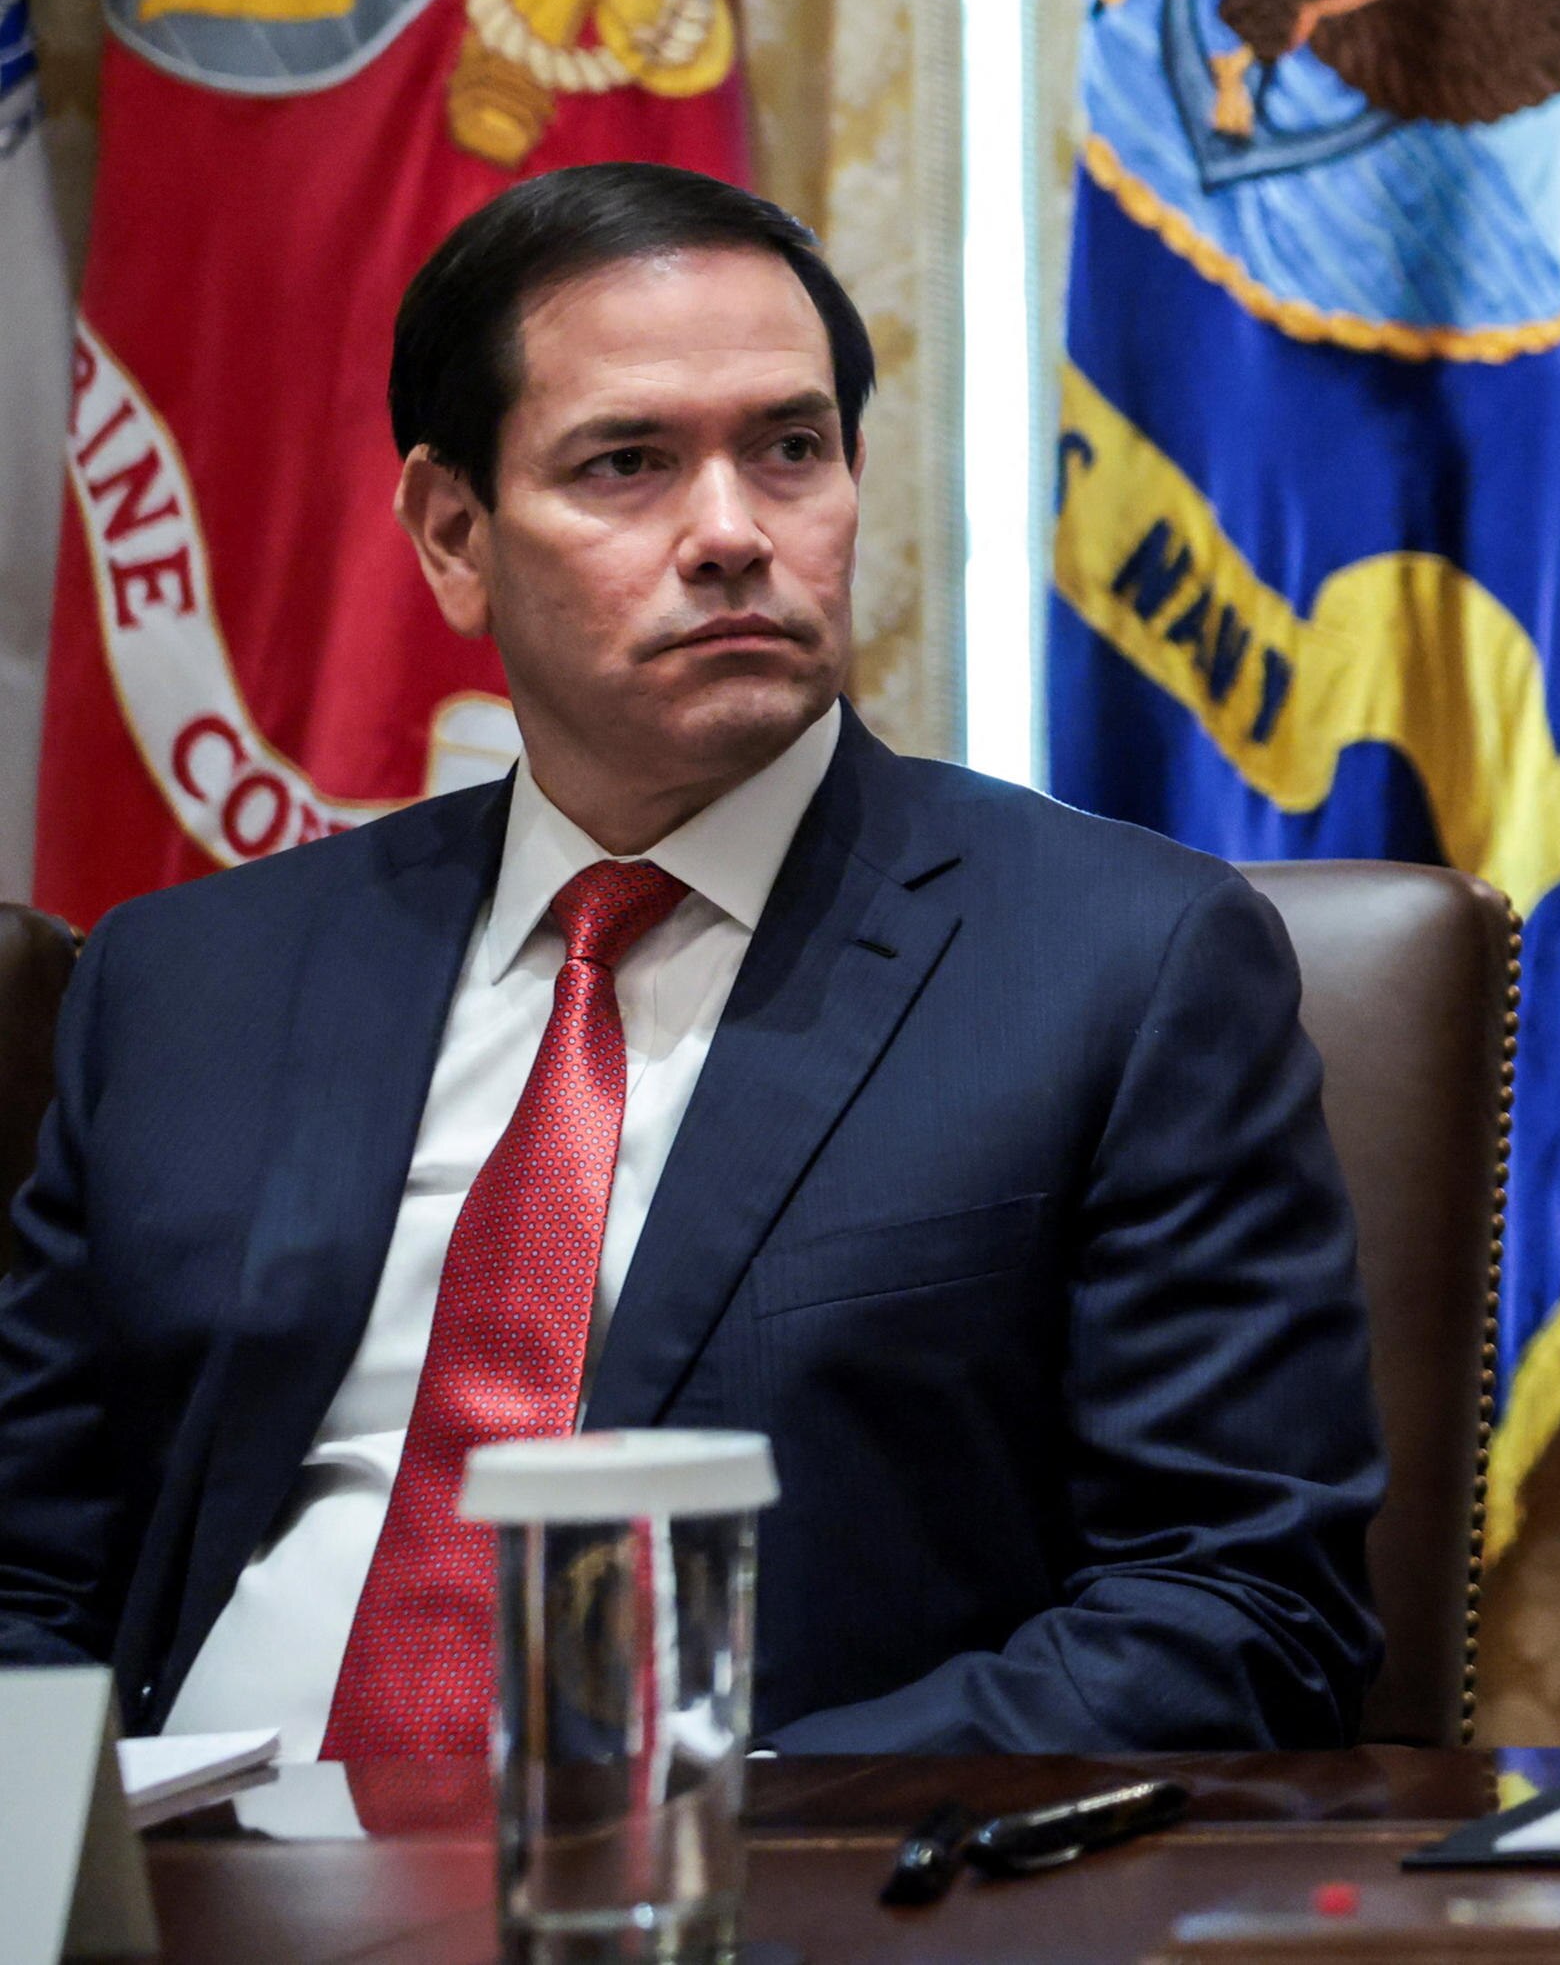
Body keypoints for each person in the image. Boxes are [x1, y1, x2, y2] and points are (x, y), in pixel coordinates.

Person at [0, 164, 1384, 1752]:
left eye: (790, 450)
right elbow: (30, 1575)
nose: (731, 532)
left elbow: (1239, 1607)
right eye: (628, 464)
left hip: (761, 1894)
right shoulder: (189, 986)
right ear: (454, 535)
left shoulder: (1122, 967)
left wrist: (680, 1835)